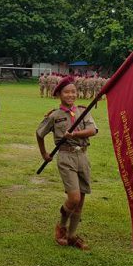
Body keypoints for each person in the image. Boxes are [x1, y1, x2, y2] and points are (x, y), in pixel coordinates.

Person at [36, 76, 98, 251]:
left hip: (83, 157)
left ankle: (71, 235)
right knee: (74, 198)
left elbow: (93, 130)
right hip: (66, 157)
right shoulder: (54, 116)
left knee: (81, 199)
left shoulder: (82, 111)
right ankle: (61, 226)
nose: (71, 95)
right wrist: (44, 153)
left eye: (73, 91)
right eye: (66, 92)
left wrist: (76, 135)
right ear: (59, 94)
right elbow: (39, 134)